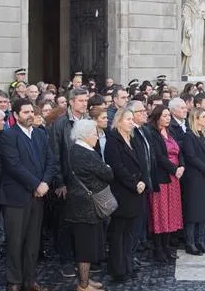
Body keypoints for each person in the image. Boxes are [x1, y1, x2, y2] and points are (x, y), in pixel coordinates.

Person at [0, 98, 57, 291]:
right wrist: (36, 184)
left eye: (31, 112)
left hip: (38, 196)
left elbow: (51, 160)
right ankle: (14, 281)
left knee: (33, 241)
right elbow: (13, 165)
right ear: (15, 115)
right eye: (25, 112)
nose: (30, 115)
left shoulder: (41, 134)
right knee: (16, 241)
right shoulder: (9, 135)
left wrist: (45, 183)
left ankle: (29, 280)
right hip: (16, 197)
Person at [64, 119, 113, 291]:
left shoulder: (80, 149)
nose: (97, 137)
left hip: (86, 206)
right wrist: (106, 167)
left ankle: (86, 280)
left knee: (90, 245)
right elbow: (107, 173)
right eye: (95, 134)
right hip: (84, 208)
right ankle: (83, 285)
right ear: (85, 135)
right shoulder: (82, 152)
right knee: (85, 247)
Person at [103, 109, 147, 284]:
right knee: (118, 232)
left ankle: (128, 264)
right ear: (119, 121)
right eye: (128, 119)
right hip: (122, 192)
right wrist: (134, 183)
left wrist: (143, 180)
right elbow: (117, 167)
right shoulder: (113, 141)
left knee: (130, 232)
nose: (131, 122)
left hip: (137, 191)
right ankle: (118, 269)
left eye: (131, 119)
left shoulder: (133, 138)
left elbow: (142, 162)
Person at [143, 106, 185, 263]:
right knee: (160, 214)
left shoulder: (171, 131)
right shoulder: (152, 133)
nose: (168, 118)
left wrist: (181, 166)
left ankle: (167, 247)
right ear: (157, 117)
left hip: (174, 178)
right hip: (161, 177)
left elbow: (179, 151)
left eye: (169, 115)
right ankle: (158, 249)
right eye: (165, 116)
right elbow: (158, 156)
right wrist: (174, 169)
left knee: (171, 213)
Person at [180, 107, 205, 256]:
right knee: (193, 212)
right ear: (196, 119)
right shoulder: (189, 136)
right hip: (195, 178)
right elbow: (191, 157)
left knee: (203, 212)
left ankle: (201, 241)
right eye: (203, 117)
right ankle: (190, 242)